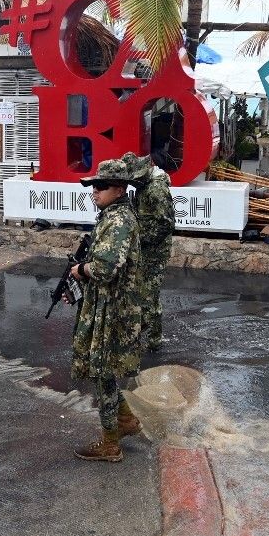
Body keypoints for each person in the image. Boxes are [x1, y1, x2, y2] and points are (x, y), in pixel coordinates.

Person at [70, 158, 144, 462]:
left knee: (103, 372)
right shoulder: (112, 215)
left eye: (100, 187)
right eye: (93, 186)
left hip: (113, 312)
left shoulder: (118, 221)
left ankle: (111, 442)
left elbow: (105, 268)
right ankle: (125, 420)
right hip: (105, 306)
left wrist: (81, 271)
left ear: (119, 188)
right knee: (104, 372)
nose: (94, 192)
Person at [121, 151, 175, 351]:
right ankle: (141, 330)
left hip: (155, 251)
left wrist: (142, 240)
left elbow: (166, 224)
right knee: (140, 291)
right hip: (145, 248)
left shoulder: (156, 189)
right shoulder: (144, 187)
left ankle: (154, 341)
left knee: (149, 295)